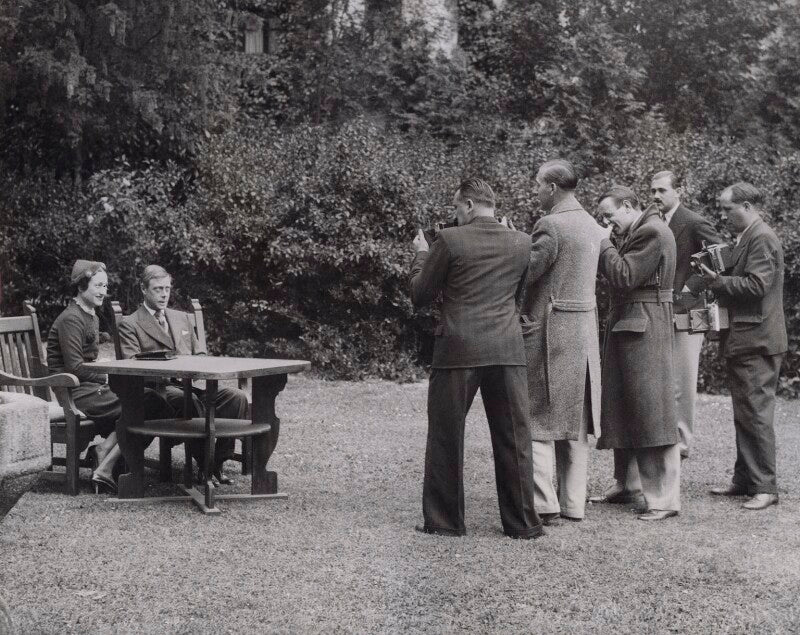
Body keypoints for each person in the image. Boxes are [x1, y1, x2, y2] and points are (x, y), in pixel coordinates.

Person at [410, 178, 543, 539]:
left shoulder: (449, 240)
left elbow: (420, 294)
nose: (455, 214)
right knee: (515, 438)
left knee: (446, 435)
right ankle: (523, 523)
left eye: (456, 207)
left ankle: (445, 521)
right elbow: (518, 297)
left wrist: (421, 253)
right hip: (507, 347)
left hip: (458, 347)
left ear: (468, 205)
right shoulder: (522, 241)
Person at [519, 159, 605, 525]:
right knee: (575, 421)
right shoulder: (593, 225)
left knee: (536, 416)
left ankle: (543, 504)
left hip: (548, 331)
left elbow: (527, 272)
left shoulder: (550, 225)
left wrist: (512, 246)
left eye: (537, 183)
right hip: (583, 333)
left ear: (552, 188)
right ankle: (573, 504)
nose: (535, 190)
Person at [592, 186, 681, 521]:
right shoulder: (643, 229)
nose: (606, 222)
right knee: (625, 406)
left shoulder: (652, 231)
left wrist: (602, 243)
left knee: (650, 411)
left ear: (628, 206)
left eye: (609, 214)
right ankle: (628, 485)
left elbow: (624, 275)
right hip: (633, 324)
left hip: (644, 326)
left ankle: (662, 500)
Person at [46, 260, 172, 493]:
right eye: (98, 286)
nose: (103, 291)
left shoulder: (90, 315)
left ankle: (105, 453)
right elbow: (74, 368)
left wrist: (102, 369)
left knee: (151, 401)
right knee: (149, 402)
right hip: (75, 392)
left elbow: (86, 361)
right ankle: (105, 460)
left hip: (90, 389)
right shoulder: (71, 319)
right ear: (82, 286)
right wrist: (106, 374)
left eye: (105, 286)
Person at [117, 265, 249, 484]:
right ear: (143, 289)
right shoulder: (130, 323)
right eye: (158, 289)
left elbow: (200, 353)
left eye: (167, 288)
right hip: (160, 388)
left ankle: (217, 463)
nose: (164, 294)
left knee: (237, 398)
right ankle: (206, 467)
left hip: (193, 383)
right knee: (189, 401)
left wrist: (200, 369)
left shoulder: (182, 318)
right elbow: (132, 366)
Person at [701, 182, 786, 510]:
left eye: (727, 209)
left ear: (748, 206)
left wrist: (716, 281)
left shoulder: (761, 236)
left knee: (755, 414)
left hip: (758, 340)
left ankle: (765, 487)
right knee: (745, 412)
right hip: (748, 338)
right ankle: (745, 479)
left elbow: (757, 285)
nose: (723, 215)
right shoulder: (749, 236)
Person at [650, 170, 723, 459]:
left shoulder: (694, 222)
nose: (656, 196)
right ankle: (665, 437)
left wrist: (689, 289)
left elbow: (719, 262)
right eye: (653, 191)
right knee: (662, 377)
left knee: (683, 378)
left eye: (662, 191)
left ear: (678, 191)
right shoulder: (655, 222)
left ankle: (681, 442)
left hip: (689, 313)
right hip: (660, 310)